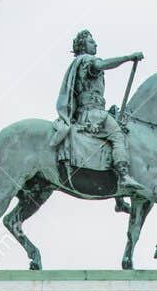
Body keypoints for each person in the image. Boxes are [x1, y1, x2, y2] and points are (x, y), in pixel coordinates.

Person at [54, 29, 144, 193]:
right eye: (91, 41)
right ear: (83, 46)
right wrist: (128, 58)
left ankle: (119, 196)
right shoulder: (87, 60)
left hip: (94, 110)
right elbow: (101, 65)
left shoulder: (80, 63)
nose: (95, 44)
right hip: (92, 113)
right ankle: (123, 175)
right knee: (118, 135)